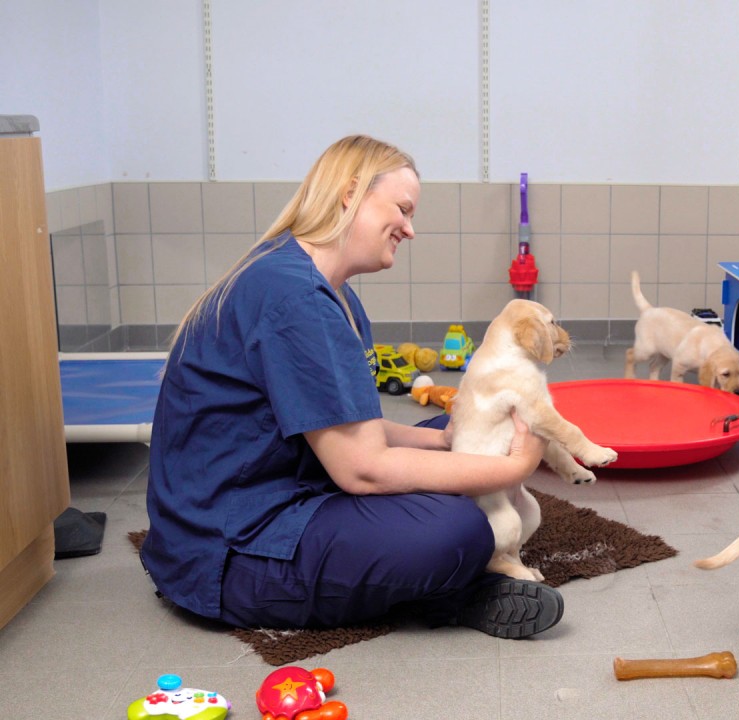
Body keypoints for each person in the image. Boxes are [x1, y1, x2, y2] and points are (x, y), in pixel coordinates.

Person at [141, 134, 564, 638]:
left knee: (467, 432)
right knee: (457, 529)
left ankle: (445, 570)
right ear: (351, 194)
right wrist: (513, 466)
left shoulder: (326, 291)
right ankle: (452, 591)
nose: (410, 230)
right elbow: (363, 469)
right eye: (403, 210)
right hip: (231, 549)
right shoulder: (295, 299)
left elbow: (340, 422)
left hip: (294, 482)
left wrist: (444, 440)